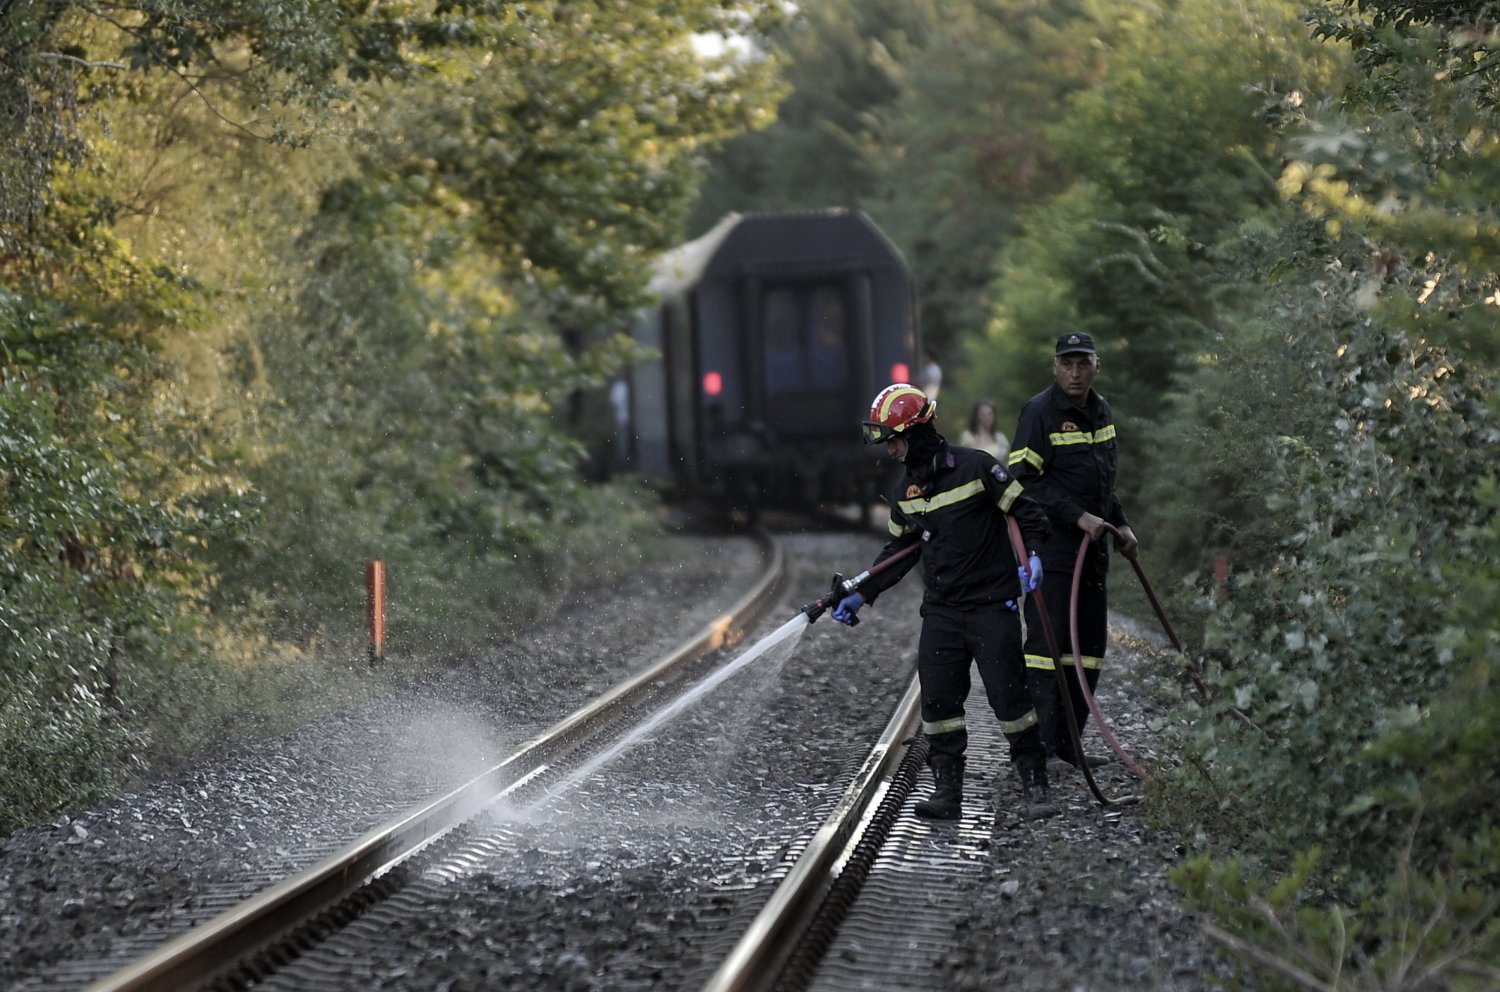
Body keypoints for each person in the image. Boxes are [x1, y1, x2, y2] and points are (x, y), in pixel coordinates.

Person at [830, 383, 1057, 820]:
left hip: (993, 605)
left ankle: (1035, 784)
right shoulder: (905, 493)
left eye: (893, 440)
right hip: (942, 611)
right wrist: (862, 593)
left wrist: (1032, 555)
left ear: (915, 433)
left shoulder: (977, 468)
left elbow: (1027, 513)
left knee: (1010, 700)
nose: (891, 451)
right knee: (939, 705)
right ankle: (947, 792)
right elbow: (896, 555)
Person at [1008, 332, 1138, 773]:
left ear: (1096, 366)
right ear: (1055, 368)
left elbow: (1103, 481)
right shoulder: (1039, 412)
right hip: (1055, 551)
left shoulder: (1101, 410)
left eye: (1083, 363)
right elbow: (1022, 479)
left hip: (1094, 552)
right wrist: (1075, 515)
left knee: (1089, 650)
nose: (1076, 372)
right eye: (1068, 364)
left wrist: (1119, 522)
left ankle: (1069, 747)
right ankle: (1041, 751)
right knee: (1049, 649)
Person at [958, 399, 1009, 463]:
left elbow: (1006, 461)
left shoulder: (1000, 437)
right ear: (976, 415)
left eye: (989, 414)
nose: (986, 417)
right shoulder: (968, 436)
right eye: (982, 414)